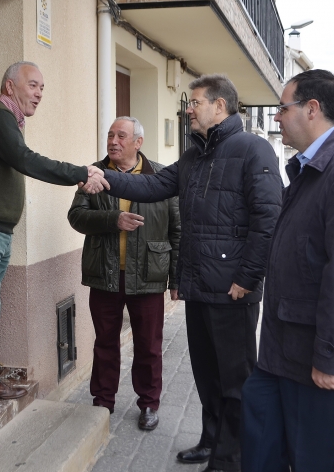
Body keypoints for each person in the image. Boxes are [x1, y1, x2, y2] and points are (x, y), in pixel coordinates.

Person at [86, 75, 282, 472]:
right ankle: (211, 441)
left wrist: (247, 277)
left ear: (220, 106)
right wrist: (101, 176)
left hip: (233, 290)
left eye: (195, 103)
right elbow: (153, 184)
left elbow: (268, 219)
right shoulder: (195, 156)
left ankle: (231, 458)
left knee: (235, 379)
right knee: (207, 376)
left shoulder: (253, 150)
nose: (188, 109)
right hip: (199, 286)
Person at [241, 69, 334, 472]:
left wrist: (330, 358)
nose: (276, 118)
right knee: (260, 448)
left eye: (281, 108)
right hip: (281, 354)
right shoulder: (310, 169)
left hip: (317, 364)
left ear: (312, 109)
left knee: (313, 460)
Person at [0, 61, 107, 399]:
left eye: (42, 88)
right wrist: (80, 172)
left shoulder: (9, 119)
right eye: (33, 85)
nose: (39, 94)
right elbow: (25, 159)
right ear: (10, 86)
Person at [68, 116, 181, 431]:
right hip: (105, 274)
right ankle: (103, 403)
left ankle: (148, 404)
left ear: (137, 143)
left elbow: (178, 229)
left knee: (149, 345)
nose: (113, 141)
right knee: (105, 343)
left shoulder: (161, 177)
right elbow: (76, 216)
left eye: (121, 136)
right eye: (110, 135)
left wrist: (177, 279)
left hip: (148, 275)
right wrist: (112, 219)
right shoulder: (94, 173)